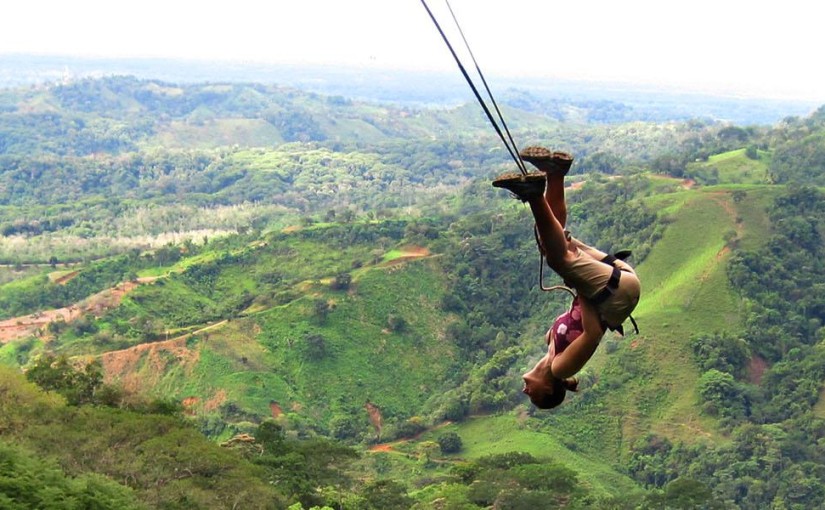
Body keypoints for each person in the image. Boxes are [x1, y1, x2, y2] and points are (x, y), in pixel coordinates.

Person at [492, 147, 641, 409]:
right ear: (549, 388)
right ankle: (535, 193)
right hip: (615, 293)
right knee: (557, 258)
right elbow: (593, 334)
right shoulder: (561, 368)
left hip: (614, 285)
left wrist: (580, 284)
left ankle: (555, 172)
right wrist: (581, 287)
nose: (526, 391)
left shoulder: (551, 342)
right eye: (534, 395)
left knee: (551, 240)